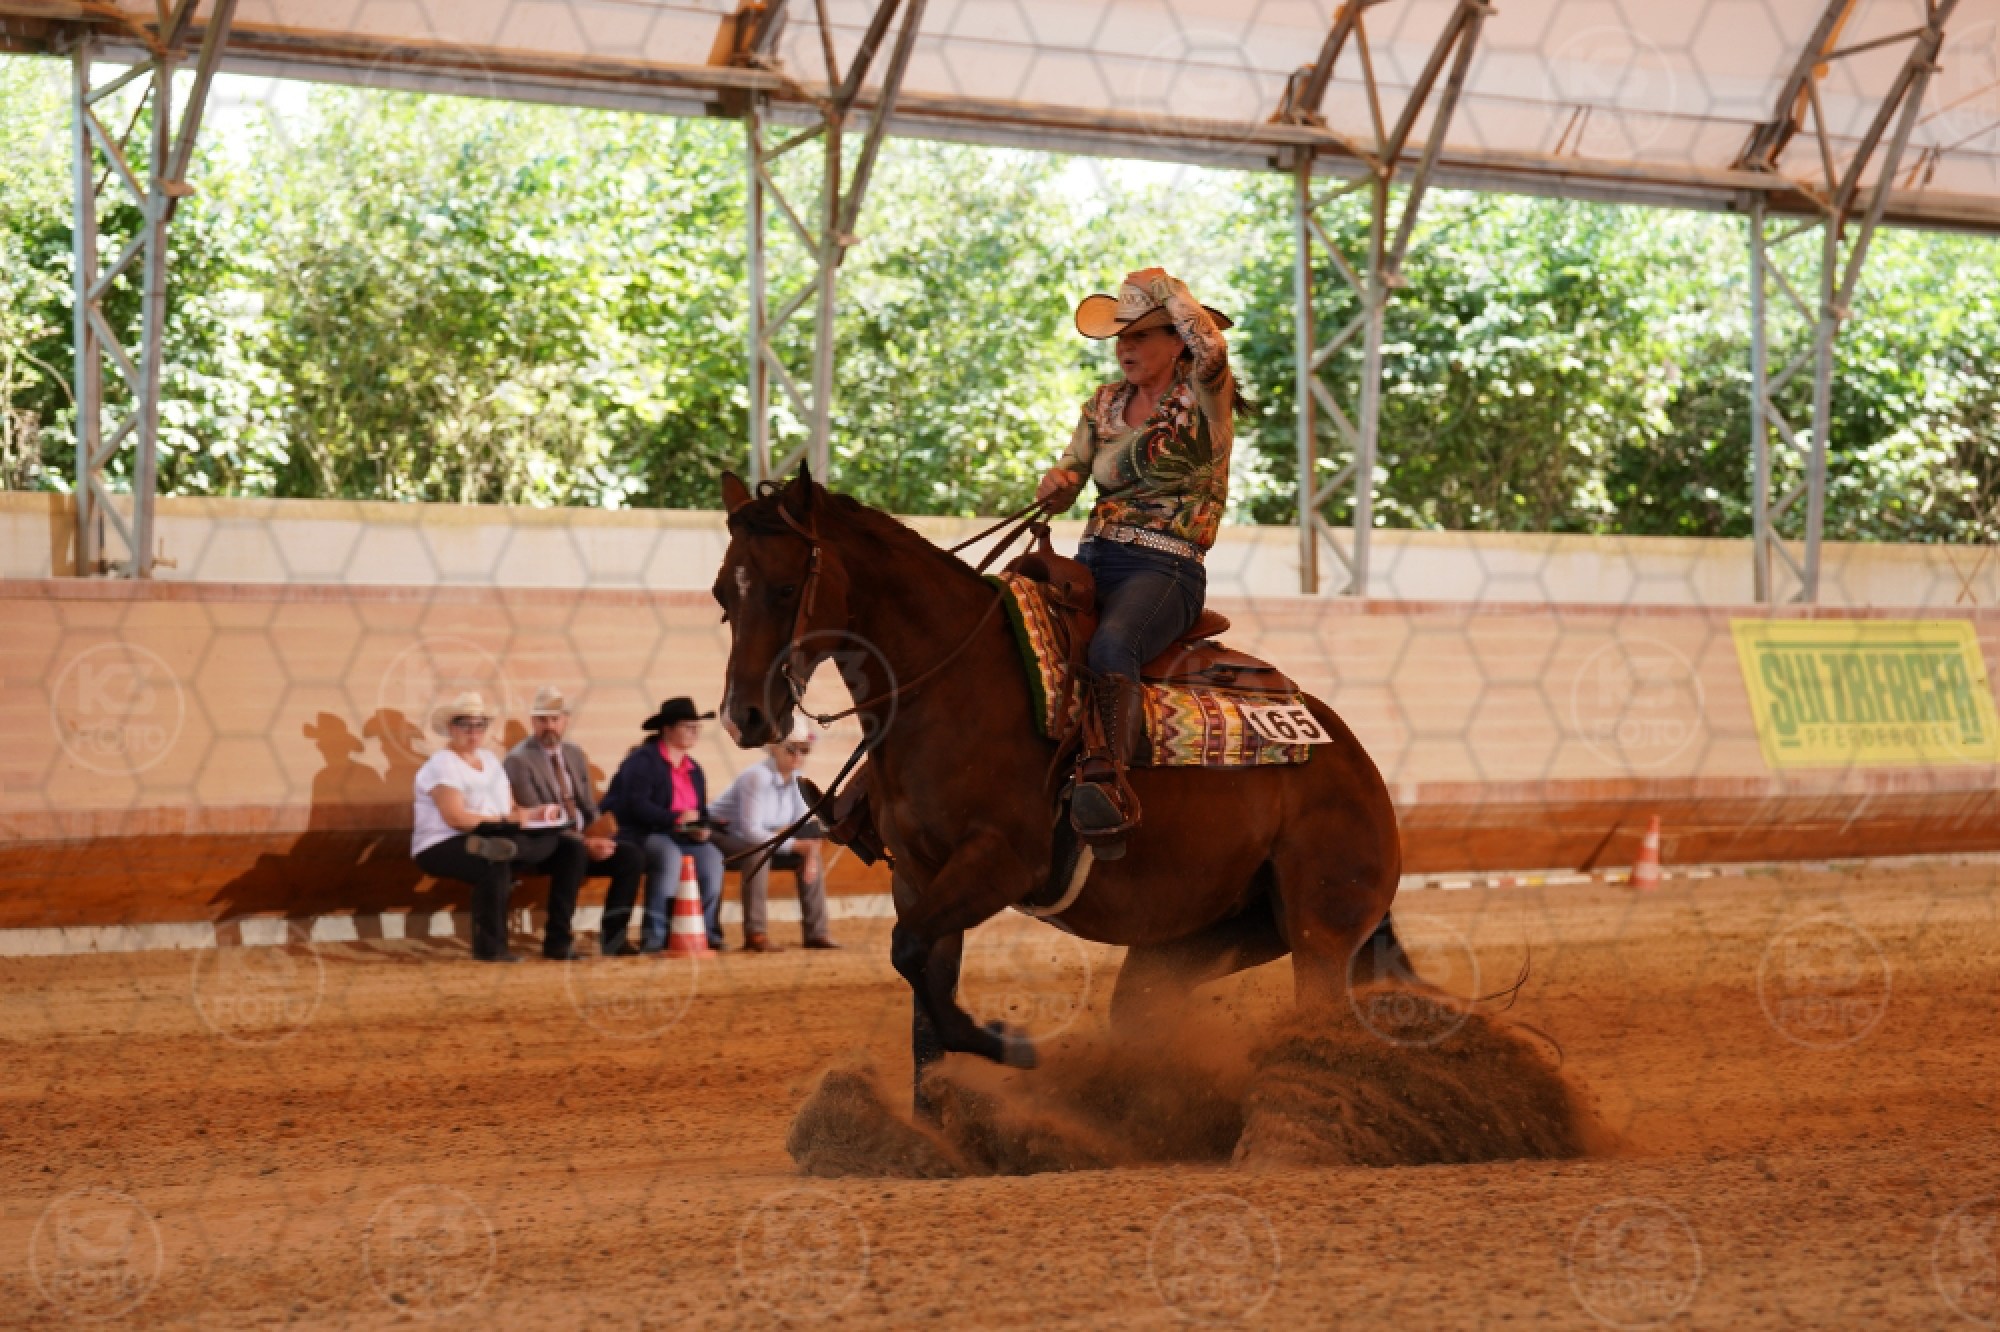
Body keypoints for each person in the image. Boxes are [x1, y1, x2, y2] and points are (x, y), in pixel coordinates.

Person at [1034, 267, 1247, 852]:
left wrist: (1172, 292)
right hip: (1091, 559)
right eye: (1120, 338)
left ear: (1176, 341)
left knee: (1112, 645)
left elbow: (1213, 351)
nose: (1124, 348)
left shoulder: (1204, 396)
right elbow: (1071, 474)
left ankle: (1107, 782)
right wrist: (1055, 486)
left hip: (1166, 568)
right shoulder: (1102, 404)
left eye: (1140, 336)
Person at [410, 690, 588, 963]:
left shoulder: (491, 760)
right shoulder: (442, 764)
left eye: (479, 725)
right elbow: (456, 818)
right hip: (445, 841)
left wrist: (540, 814)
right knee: (495, 858)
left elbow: (513, 810)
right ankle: (491, 948)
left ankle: (558, 941)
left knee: (570, 849)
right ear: (451, 728)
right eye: (465, 725)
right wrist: (506, 823)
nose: (473, 732)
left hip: (496, 833)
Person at [504, 685, 649, 958]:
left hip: (582, 837)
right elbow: (539, 817)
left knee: (631, 856)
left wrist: (600, 835)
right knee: (573, 853)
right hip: (546, 843)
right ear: (533, 722)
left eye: (554, 719)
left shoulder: (573, 753)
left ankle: (614, 938)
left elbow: (588, 805)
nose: (549, 726)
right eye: (542, 720)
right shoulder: (518, 760)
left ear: (565, 721)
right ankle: (557, 941)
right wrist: (585, 842)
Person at [602, 697, 726, 953]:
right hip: (641, 832)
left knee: (713, 859)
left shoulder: (694, 769)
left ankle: (707, 932)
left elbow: (700, 810)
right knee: (668, 858)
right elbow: (636, 806)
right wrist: (676, 819)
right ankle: (655, 937)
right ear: (667, 729)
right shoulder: (642, 761)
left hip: (681, 835)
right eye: (687, 726)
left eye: (697, 726)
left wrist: (702, 828)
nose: (694, 731)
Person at [711, 717, 839, 952]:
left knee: (805, 855)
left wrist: (810, 850)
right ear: (773, 749)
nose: (798, 756)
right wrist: (797, 846)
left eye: (804, 749)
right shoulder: (756, 777)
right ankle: (756, 933)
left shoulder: (796, 779)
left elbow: (801, 825)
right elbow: (751, 832)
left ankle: (817, 932)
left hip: (760, 839)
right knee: (758, 854)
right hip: (721, 835)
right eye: (791, 749)